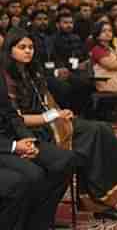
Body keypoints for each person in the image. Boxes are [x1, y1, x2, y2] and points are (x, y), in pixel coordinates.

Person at [2, 28, 117, 221]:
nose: (28, 51)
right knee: (92, 137)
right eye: (22, 47)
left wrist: (60, 113)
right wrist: (51, 117)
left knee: (102, 130)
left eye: (30, 47)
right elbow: (15, 118)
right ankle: (100, 202)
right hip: (31, 130)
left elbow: (46, 101)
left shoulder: (32, 70)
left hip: (51, 123)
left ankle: (104, 201)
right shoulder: (6, 77)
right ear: (10, 50)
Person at [0, 71, 74, 230]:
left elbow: (12, 115)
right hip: (4, 146)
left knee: (65, 160)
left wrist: (28, 140)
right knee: (33, 174)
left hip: (13, 137)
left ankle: (39, 223)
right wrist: (13, 147)